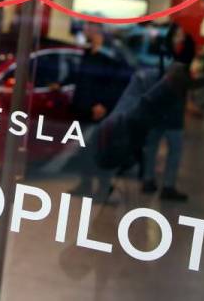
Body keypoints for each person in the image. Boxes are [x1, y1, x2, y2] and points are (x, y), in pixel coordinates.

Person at [71, 22, 131, 198]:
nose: (84, 30)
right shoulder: (89, 52)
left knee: (100, 148)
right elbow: (82, 78)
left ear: (96, 29)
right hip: (84, 108)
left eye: (87, 27)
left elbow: (118, 82)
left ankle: (104, 187)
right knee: (84, 149)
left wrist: (103, 104)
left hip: (101, 111)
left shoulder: (111, 55)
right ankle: (86, 184)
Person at [141, 23, 196, 201]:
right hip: (171, 112)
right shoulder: (174, 60)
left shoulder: (159, 55)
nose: (182, 36)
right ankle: (168, 186)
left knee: (152, 147)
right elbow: (180, 84)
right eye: (179, 33)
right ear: (172, 36)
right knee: (175, 150)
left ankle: (148, 180)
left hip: (156, 110)